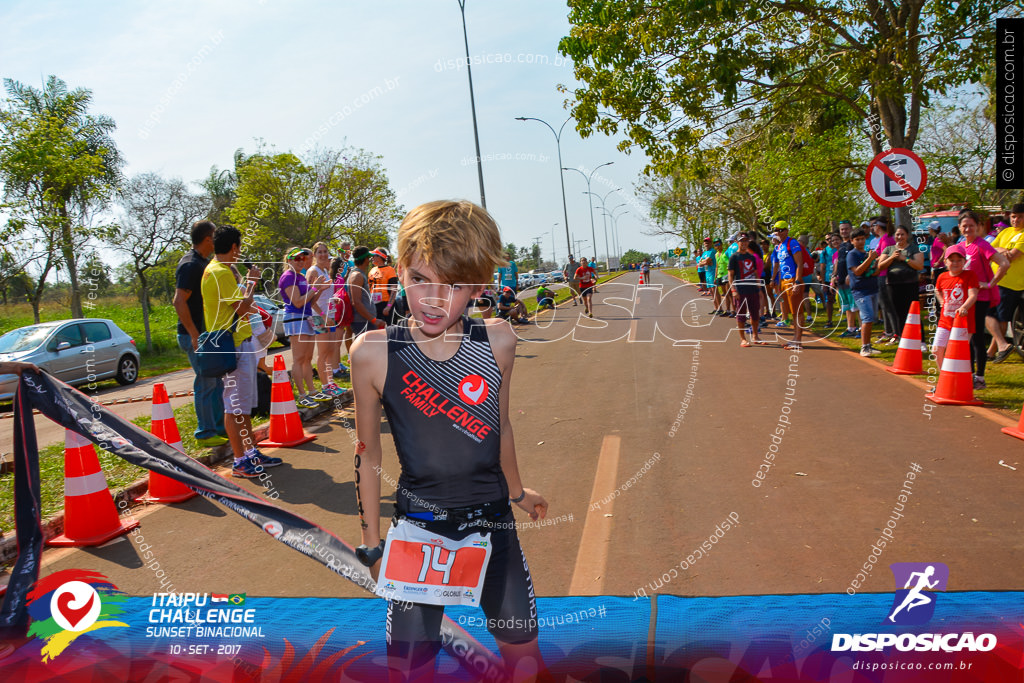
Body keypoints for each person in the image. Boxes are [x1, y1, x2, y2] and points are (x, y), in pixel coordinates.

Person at [350, 199, 549, 682]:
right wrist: (372, 544)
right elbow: (367, 451)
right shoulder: (374, 352)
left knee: (524, 658)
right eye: (420, 279)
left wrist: (518, 492)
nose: (434, 299)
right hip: (419, 536)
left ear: (479, 286)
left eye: (454, 285)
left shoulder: (498, 341)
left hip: (493, 529)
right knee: (412, 670)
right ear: (398, 273)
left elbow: (499, 425)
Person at [201, 226, 282, 477]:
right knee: (234, 405)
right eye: (239, 248)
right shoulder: (221, 273)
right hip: (233, 344)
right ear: (234, 247)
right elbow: (243, 307)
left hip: (236, 343)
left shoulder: (216, 271)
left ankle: (249, 452)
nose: (239, 253)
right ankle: (240, 460)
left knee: (242, 405)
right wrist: (252, 283)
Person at [172, 220, 226, 447]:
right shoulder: (190, 265)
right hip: (194, 335)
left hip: (208, 334)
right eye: (215, 237)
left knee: (216, 382)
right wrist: (195, 335)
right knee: (205, 383)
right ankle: (204, 433)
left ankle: (220, 428)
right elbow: (178, 301)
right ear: (207, 239)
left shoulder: (204, 263)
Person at [956, 210, 1009, 388]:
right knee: (967, 336)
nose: (968, 229)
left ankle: (979, 377)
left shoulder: (982, 245)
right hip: (965, 299)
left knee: (977, 336)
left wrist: (990, 283)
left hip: (981, 297)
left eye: (971, 225)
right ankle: (969, 373)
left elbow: (1004, 263)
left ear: (978, 227)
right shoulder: (961, 246)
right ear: (959, 227)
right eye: (964, 226)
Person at [279, 247, 326, 409]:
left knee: (307, 359)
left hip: (307, 318)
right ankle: (302, 394)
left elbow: (310, 302)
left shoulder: (299, 276)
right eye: (296, 259)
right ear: (289, 260)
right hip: (295, 319)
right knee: (299, 359)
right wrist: (314, 288)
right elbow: (297, 302)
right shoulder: (288, 277)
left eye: (302, 258)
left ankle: (311, 391)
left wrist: (319, 289)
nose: (300, 261)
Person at [932, 243, 979, 375]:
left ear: (965, 261)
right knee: (936, 349)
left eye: (959, 260)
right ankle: (944, 377)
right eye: (952, 260)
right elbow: (937, 290)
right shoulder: (942, 276)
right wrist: (941, 301)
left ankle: (960, 378)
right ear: (945, 262)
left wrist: (964, 307)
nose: (956, 263)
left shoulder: (970, 275)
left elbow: (973, 295)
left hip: (963, 323)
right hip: (945, 321)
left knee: (958, 352)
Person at [986, 203, 1024, 363]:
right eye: (1014, 216)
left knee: (999, 317)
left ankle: (995, 350)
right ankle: (997, 349)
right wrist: (1003, 251)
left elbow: (1013, 256)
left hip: (1011, 282)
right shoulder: (1006, 231)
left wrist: (1000, 251)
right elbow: (988, 249)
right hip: (996, 279)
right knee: (995, 316)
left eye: (1020, 217)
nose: (1016, 219)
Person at [307, 242, 345, 398]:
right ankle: (325, 386)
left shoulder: (325, 270)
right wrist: (322, 315)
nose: (323, 254)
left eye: (325, 251)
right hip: (318, 317)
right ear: (315, 255)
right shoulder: (313, 271)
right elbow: (310, 299)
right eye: (320, 252)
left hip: (329, 315)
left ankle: (330, 383)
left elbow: (324, 295)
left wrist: (333, 301)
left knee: (330, 350)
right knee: (323, 352)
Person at [878, 226, 926, 340]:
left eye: (902, 234)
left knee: (913, 312)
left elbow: (919, 265)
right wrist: (892, 257)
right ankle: (902, 338)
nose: (900, 237)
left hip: (910, 284)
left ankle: (921, 339)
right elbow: (880, 266)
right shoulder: (889, 249)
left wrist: (905, 259)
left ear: (907, 236)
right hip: (893, 284)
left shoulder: (914, 248)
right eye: (897, 234)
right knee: (898, 313)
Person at [771, 221, 805, 350]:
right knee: (791, 311)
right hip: (784, 281)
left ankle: (798, 341)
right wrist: (776, 281)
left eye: (781, 229)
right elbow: (779, 266)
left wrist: (797, 281)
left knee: (797, 311)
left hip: (792, 280)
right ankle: (795, 339)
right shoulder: (779, 246)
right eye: (776, 230)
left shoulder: (793, 243)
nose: (778, 232)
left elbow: (799, 263)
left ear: (786, 231)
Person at [848, 227, 881, 357]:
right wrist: (870, 259)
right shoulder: (853, 254)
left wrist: (876, 263)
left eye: (862, 239)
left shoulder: (867, 253)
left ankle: (868, 345)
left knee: (871, 318)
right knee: (867, 318)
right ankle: (864, 347)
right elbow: (857, 271)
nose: (860, 241)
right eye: (857, 239)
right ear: (852, 241)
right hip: (861, 291)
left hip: (873, 287)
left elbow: (875, 271)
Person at [728, 233, 764, 346]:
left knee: (755, 313)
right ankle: (743, 338)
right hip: (740, 290)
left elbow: (755, 273)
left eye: (745, 241)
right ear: (737, 242)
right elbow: (730, 275)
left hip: (752, 289)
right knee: (741, 314)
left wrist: (759, 288)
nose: (744, 243)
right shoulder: (734, 257)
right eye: (741, 241)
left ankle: (755, 336)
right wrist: (733, 290)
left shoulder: (751, 257)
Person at [347, 246, 387, 339]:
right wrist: (373, 320)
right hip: (362, 322)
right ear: (365, 259)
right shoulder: (357, 276)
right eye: (369, 258)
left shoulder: (359, 274)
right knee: (367, 351)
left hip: (366, 321)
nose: (370, 260)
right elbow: (356, 302)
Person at [871, 218, 899, 344]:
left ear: (878, 227)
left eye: (874, 225)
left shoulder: (888, 239)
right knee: (884, 305)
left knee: (889, 306)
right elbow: (877, 255)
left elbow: (886, 258)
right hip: (881, 275)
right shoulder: (882, 239)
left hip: (886, 275)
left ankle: (895, 333)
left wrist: (877, 262)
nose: (873, 228)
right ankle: (888, 331)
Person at [832, 221, 860, 338]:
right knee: (847, 306)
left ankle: (861, 329)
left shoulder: (853, 243)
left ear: (851, 229)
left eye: (846, 229)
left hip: (852, 279)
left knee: (857, 306)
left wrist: (851, 274)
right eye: (842, 229)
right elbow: (839, 262)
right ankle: (851, 327)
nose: (844, 231)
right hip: (842, 280)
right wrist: (834, 276)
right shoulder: (842, 246)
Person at [369, 247, 400, 325]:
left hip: (386, 304)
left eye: (374, 255)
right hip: (374, 304)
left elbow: (394, 290)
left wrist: (389, 306)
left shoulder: (390, 270)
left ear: (380, 257)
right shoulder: (372, 270)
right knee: (376, 330)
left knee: (391, 330)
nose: (372, 257)